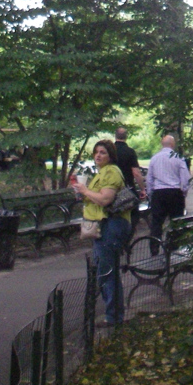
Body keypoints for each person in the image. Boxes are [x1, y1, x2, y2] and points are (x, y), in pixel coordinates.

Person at [72, 139, 131, 326]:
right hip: (102, 225)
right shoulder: (102, 173)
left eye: (103, 152)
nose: (98, 155)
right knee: (104, 270)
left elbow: (106, 199)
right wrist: (82, 192)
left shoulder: (111, 171)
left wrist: (85, 190)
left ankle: (113, 317)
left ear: (110, 155)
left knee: (107, 272)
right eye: (96, 152)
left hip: (111, 225)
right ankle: (113, 315)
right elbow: (95, 198)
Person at [145, 134, 190, 254]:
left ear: (162, 144)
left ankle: (154, 247)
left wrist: (150, 194)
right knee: (176, 221)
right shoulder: (178, 158)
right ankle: (173, 247)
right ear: (173, 144)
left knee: (156, 223)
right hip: (175, 192)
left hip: (159, 193)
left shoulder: (155, 158)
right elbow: (185, 178)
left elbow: (149, 179)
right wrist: (183, 192)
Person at [114, 126, 145, 234]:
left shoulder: (109, 151)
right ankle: (127, 237)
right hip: (128, 189)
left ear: (115, 135)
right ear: (126, 136)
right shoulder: (130, 152)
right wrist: (142, 189)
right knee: (133, 215)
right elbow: (136, 173)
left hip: (112, 189)